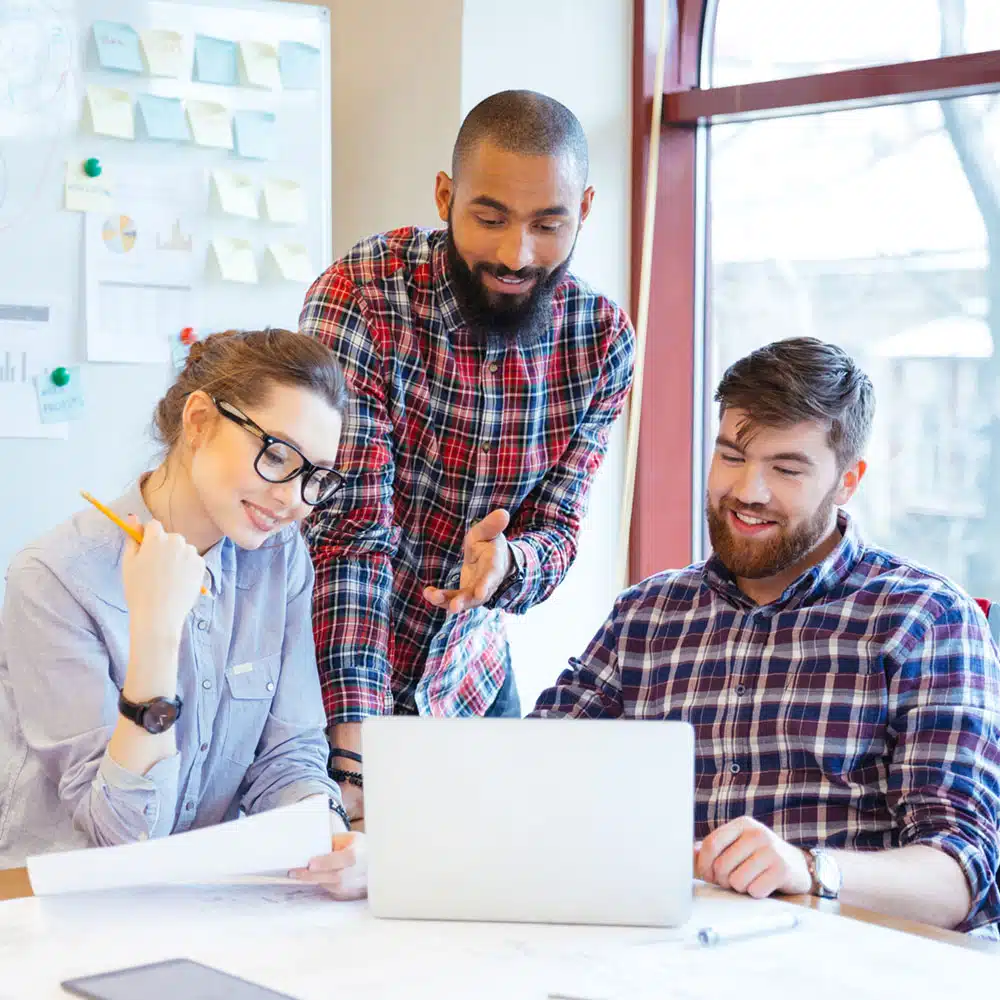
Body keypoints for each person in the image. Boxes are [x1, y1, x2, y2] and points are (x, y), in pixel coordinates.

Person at [533, 337, 1000, 935]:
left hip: (846, 962)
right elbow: (528, 775)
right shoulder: (646, 615)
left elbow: (961, 876)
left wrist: (808, 869)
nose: (748, 491)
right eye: (731, 456)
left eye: (786, 469)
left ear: (847, 481)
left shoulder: (924, 618)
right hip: (663, 953)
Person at [299, 89, 635, 823]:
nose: (517, 254)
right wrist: (355, 750)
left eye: (549, 225)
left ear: (584, 209)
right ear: (445, 197)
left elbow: (559, 531)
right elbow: (350, 535)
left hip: (467, 681)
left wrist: (512, 565)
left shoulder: (602, 340)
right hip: (324, 676)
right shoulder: (363, 295)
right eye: (490, 219)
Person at [0, 328, 365, 899]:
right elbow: (123, 837)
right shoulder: (54, 576)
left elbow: (288, 754)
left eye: (315, 476)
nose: (294, 499)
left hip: (193, 899)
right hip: (50, 904)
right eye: (276, 455)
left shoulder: (280, 557)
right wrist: (156, 632)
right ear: (198, 422)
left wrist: (330, 839)